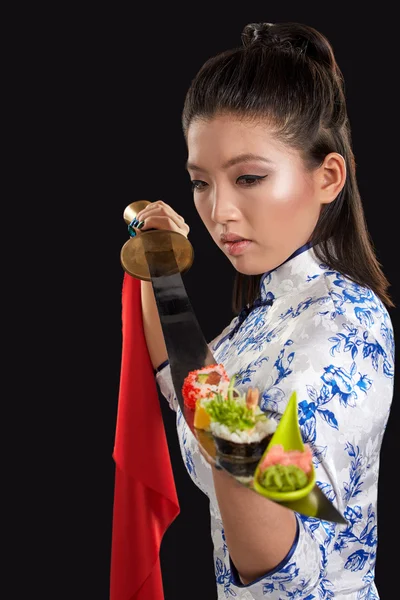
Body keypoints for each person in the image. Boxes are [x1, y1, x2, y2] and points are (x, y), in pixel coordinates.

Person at [135, 21, 395, 599]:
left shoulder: (344, 325)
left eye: (249, 177)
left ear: (328, 176)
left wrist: (232, 440)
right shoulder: (257, 323)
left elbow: (287, 565)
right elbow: (180, 383)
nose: (219, 210)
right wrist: (162, 267)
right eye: (201, 182)